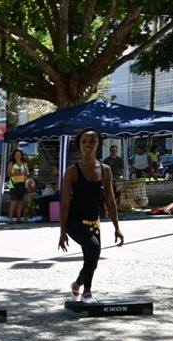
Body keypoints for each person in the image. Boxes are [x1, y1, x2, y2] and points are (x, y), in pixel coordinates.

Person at [58, 128, 123, 304]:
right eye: (84, 141)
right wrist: (62, 231)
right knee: (93, 249)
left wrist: (117, 227)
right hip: (74, 222)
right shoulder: (72, 171)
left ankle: (77, 283)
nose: (88, 144)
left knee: (92, 259)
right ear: (79, 145)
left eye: (92, 141)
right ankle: (87, 292)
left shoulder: (105, 170)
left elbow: (110, 200)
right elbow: (64, 203)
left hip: (94, 222)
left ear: (98, 144)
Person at [7, 149, 29, 222]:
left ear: (21, 155)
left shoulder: (24, 163)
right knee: (14, 201)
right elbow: (8, 174)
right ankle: (10, 218)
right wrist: (18, 173)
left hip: (22, 184)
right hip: (13, 184)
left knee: (20, 201)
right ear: (13, 156)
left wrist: (26, 182)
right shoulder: (11, 163)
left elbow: (27, 173)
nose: (18, 156)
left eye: (19, 154)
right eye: (16, 155)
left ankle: (18, 218)